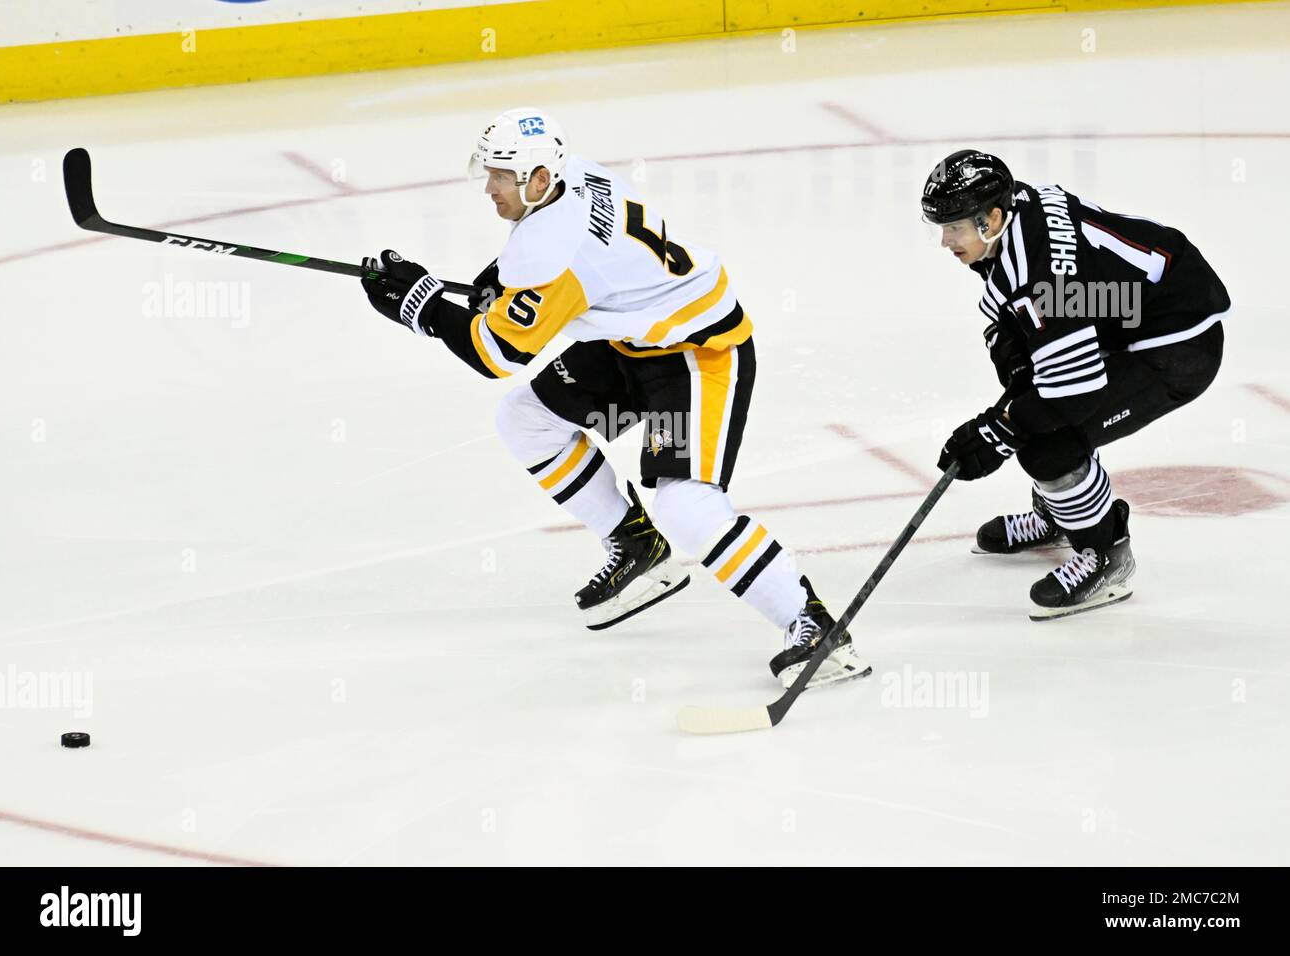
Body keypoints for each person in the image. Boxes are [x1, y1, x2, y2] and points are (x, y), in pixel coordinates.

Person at [360, 107, 871, 688]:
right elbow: (535, 271)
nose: (489, 187)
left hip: (696, 354)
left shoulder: (554, 249)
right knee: (527, 420)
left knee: (687, 504)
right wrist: (487, 285)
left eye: (500, 175)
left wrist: (421, 308)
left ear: (537, 180)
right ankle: (636, 545)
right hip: (632, 339)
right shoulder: (572, 174)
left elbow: (497, 354)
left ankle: (813, 625)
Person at [922, 150, 1229, 619]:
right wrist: (1015, 383)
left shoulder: (1037, 271)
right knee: (1033, 401)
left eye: (954, 227)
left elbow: (1073, 390)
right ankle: (1060, 515)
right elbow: (1026, 314)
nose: (945, 241)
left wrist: (997, 431)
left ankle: (1106, 553)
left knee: (1048, 444)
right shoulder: (1017, 213)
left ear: (992, 220)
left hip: (1177, 346)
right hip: (1129, 313)